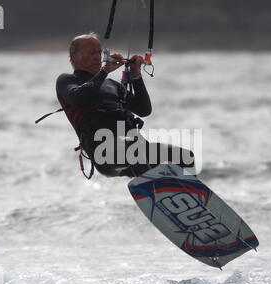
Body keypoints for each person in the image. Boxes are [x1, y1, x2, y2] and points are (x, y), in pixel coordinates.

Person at [56, 32, 195, 178]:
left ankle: (192, 195)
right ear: (75, 56)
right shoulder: (67, 81)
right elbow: (79, 98)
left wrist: (136, 76)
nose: (98, 57)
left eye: (99, 52)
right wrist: (104, 71)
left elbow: (144, 110)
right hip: (104, 152)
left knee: (185, 157)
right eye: (92, 53)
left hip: (133, 146)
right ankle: (154, 191)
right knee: (133, 148)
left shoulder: (112, 85)